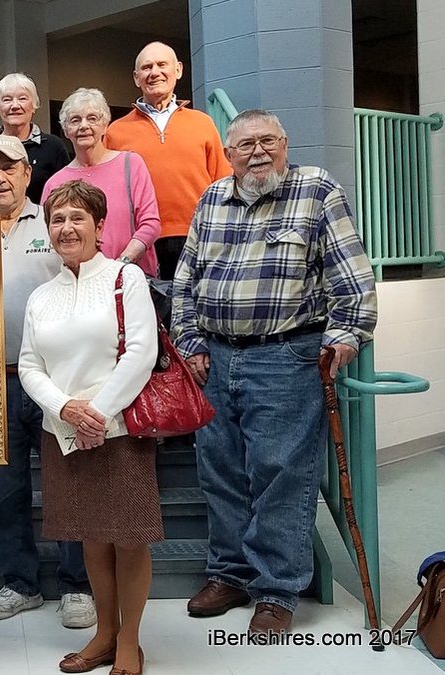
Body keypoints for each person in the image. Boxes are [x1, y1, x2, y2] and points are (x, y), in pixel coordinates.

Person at [173, 109, 378, 634]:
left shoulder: (316, 191)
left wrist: (345, 335)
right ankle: (230, 574)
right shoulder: (212, 200)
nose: (258, 152)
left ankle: (276, 590)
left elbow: (352, 280)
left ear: (285, 144)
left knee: (281, 474)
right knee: (220, 473)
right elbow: (185, 282)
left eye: (268, 141)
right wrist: (189, 341)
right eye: (245, 145)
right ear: (229, 155)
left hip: (285, 356)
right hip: (215, 358)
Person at [20, 180, 163, 675]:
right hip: (63, 432)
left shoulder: (126, 278)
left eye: (77, 217)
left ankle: (130, 641)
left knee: (129, 537)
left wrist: (97, 413)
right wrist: (66, 409)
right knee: (91, 538)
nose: (66, 228)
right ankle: (104, 634)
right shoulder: (41, 296)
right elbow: (29, 365)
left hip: (119, 430)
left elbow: (141, 353)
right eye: (57, 219)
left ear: (100, 226)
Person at [0, 135, 95, 628]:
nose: (0, 178)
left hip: (54, 380)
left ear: (28, 173)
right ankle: (20, 584)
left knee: (66, 485)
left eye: (10, 168)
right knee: (5, 493)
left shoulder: (53, 223)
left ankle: (77, 585)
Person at [105, 41, 232, 281]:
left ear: (178, 70)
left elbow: (223, 182)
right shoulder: (115, 132)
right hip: (140, 243)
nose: (155, 72)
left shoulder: (202, 123)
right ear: (136, 78)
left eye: (162, 64)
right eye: (147, 67)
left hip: (199, 237)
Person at [43, 88, 162, 277]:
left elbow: (150, 224)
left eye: (92, 118)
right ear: (66, 130)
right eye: (75, 120)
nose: (84, 126)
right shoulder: (54, 184)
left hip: (130, 277)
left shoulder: (130, 164)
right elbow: (52, 239)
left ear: (105, 125)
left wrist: (120, 266)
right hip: (80, 281)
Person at [0, 73, 69, 216]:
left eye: (22, 99)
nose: (15, 106)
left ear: (34, 106)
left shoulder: (53, 147)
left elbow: (66, 196)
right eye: (7, 99)